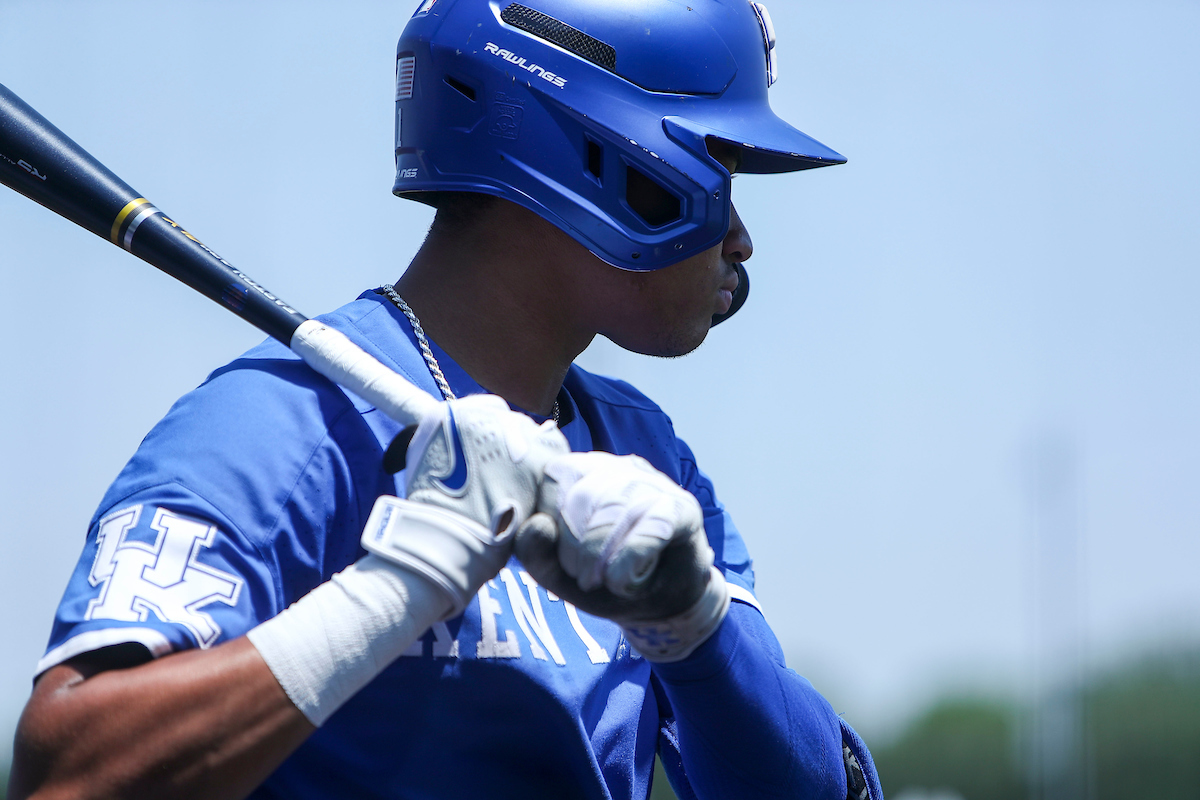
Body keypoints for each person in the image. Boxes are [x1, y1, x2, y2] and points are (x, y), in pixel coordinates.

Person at [9, 1, 883, 798]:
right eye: (718, 166)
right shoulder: (277, 428)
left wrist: (695, 631)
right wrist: (406, 580)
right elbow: (69, 774)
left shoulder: (643, 455)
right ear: (606, 159)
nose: (741, 239)